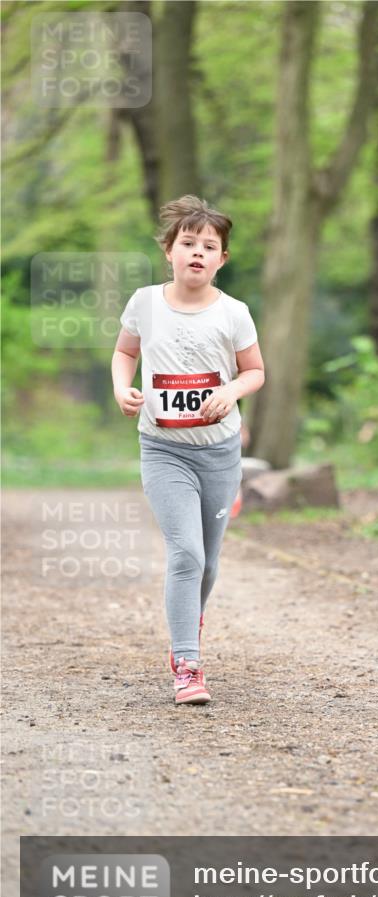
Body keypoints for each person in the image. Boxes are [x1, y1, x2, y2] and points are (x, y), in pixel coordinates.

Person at [111, 194, 265, 705]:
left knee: (209, 564)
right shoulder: (145, 303)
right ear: (169, 251)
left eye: (210, 246)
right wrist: (121, 387)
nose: (197, 252)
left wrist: (229, 391)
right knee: (186, 555)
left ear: (222, 259)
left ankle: (187, 619)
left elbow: (255, 372)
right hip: (163, 450)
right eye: (188, 243)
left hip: (218, 453)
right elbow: (124, 353)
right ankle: (187, 664)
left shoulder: (234, 313)